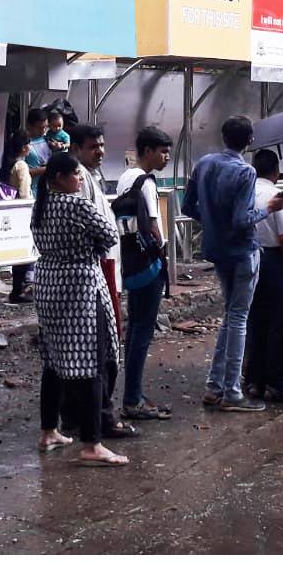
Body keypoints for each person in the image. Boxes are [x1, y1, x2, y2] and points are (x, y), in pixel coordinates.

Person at [182, 115, 283, 412]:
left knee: (231, 317)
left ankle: (215, 386)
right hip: (242, 251)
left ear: (223, 136)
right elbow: (243, 219)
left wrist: (213, 223)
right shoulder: (245, 171)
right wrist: (269, 209)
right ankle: (231, 392)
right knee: (239, 318)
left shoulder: (204, 164)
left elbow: (187, 206)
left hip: (217, 250)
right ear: (250, 140)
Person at [33, 152, 128, 467]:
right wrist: (90, 247)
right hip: (80, 286)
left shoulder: (41, 206)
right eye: (75, 174)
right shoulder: (77, 205)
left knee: (53, 359)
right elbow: (109, 235)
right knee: (91, 361)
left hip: (48, 285)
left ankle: (49, 430)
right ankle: (92, 443)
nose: (79, 179)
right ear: (59, 178)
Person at [70, 124, 138, 440]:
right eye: (92, 146)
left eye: (101, 145)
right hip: (98, 267)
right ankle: (100, 417)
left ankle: (82, 415)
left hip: (104, 265)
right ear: (76, 149)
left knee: (94, 345)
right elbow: (90, 228)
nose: (99, 151)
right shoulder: (79, 179)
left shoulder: (91, 177)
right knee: (103, 346)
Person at [116, 125, 174, 421]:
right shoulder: (146, 182)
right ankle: (132, 399)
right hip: (148, 265)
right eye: (163, 152)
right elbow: (152, 225)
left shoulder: (125, 177)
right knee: (142, 331)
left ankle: (134, 393)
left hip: (130, 262)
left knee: (135, 328)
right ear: (148, 151)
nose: (167, 157)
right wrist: (162, 253)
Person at [243, 149, 283, 402]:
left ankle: (253, 381)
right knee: (277, 324)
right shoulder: (276, 195)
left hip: (248, 259)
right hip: (273, 261)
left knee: (254, 321)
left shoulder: (245, 193)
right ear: (276, 172)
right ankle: (275, 383)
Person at [4, 126, 38, 304]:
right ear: (24, 147)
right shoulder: (22, 166)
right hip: (23, 213)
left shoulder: (8, 164)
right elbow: (24, 193)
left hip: (12, 212)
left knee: (18, 252)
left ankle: (17, 289)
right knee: (26, 252)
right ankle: (24, 288)